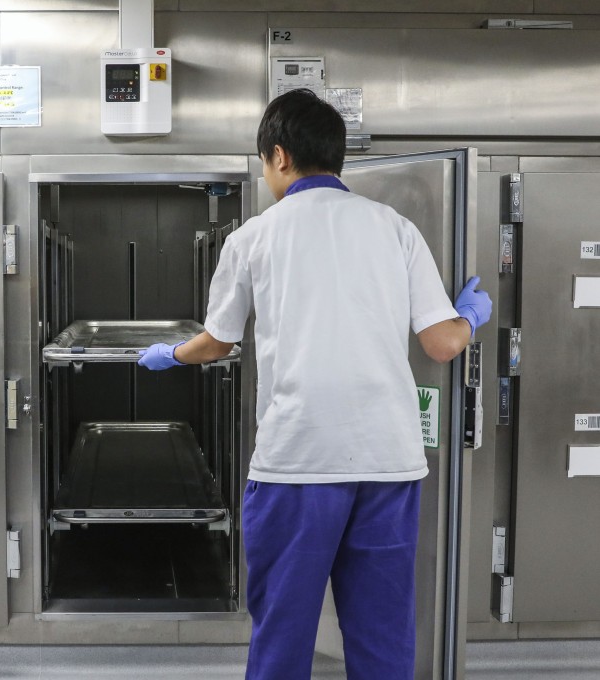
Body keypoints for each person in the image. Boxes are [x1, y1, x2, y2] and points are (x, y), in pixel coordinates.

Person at [137, 88, 492, 680]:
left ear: (279, 156)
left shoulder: (252, 237)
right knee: (382, 639)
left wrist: (171, 354)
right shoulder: (395, 228)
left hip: (296, 463)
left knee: (283, 634)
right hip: (387, 464)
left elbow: (219, 341)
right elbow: (441, 343)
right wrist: (470, 316)